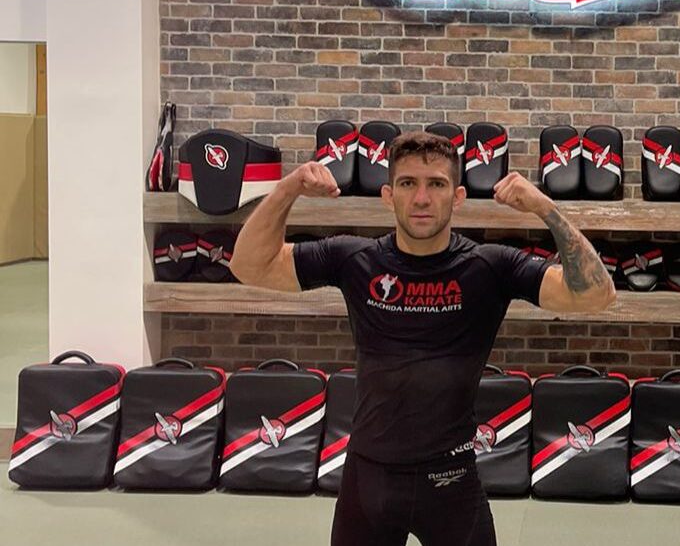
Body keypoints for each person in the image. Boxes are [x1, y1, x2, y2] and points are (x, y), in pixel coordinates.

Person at [230, 131, 616, 546]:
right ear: (388, 196)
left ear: (458, 197)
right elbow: (249, 266)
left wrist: (544, 207)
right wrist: (288, 188)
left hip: (450, 481)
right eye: (408, 183)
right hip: (368, 480)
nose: (421, 198)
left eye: (436, 184)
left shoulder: (489, 266)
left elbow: (596, 295)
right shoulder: (355, 259)